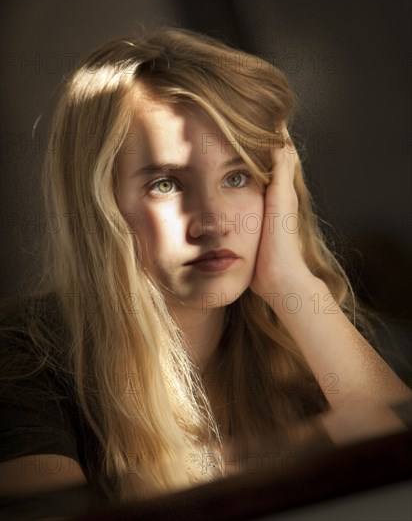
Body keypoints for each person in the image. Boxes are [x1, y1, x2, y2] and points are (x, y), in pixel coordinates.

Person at [0, 26, 410, 506]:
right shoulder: (22, 355)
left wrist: (292, 281)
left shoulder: (303, 336)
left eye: (237, 176)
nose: (212, 222)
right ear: (99, 206)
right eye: (166, 183)